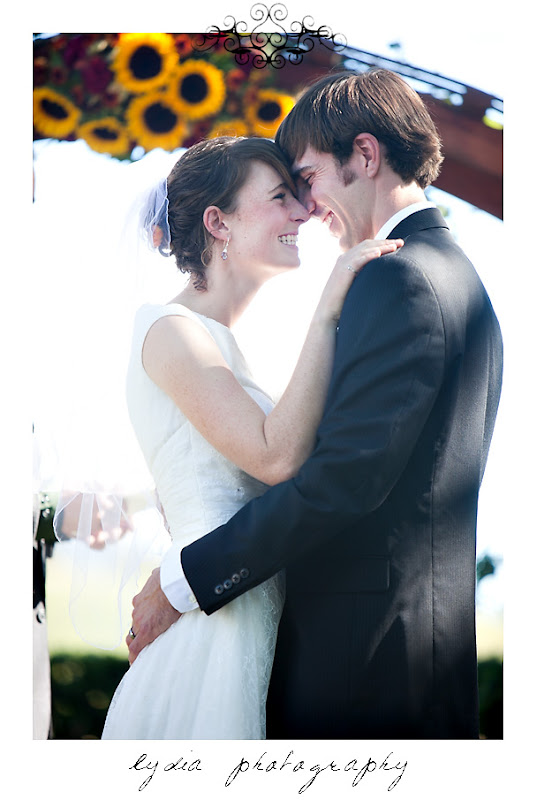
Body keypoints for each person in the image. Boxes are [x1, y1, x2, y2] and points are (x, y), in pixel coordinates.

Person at [127, 69, 503, 740]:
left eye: (304, 179)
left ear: (363, 155)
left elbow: (339, 480)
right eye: (285, 193)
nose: (305, 207)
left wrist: (183, 580)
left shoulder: (397, 278)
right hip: (402, 656)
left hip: (363, 667)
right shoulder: (448, 274)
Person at [101, 135, 402, 739]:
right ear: (219, 223)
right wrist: (328, 309)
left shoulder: (228, 347)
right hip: (211, 629)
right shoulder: (167, 330)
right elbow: (275, 455)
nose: (303, 213)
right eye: (280, 198)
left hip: (255, 619)